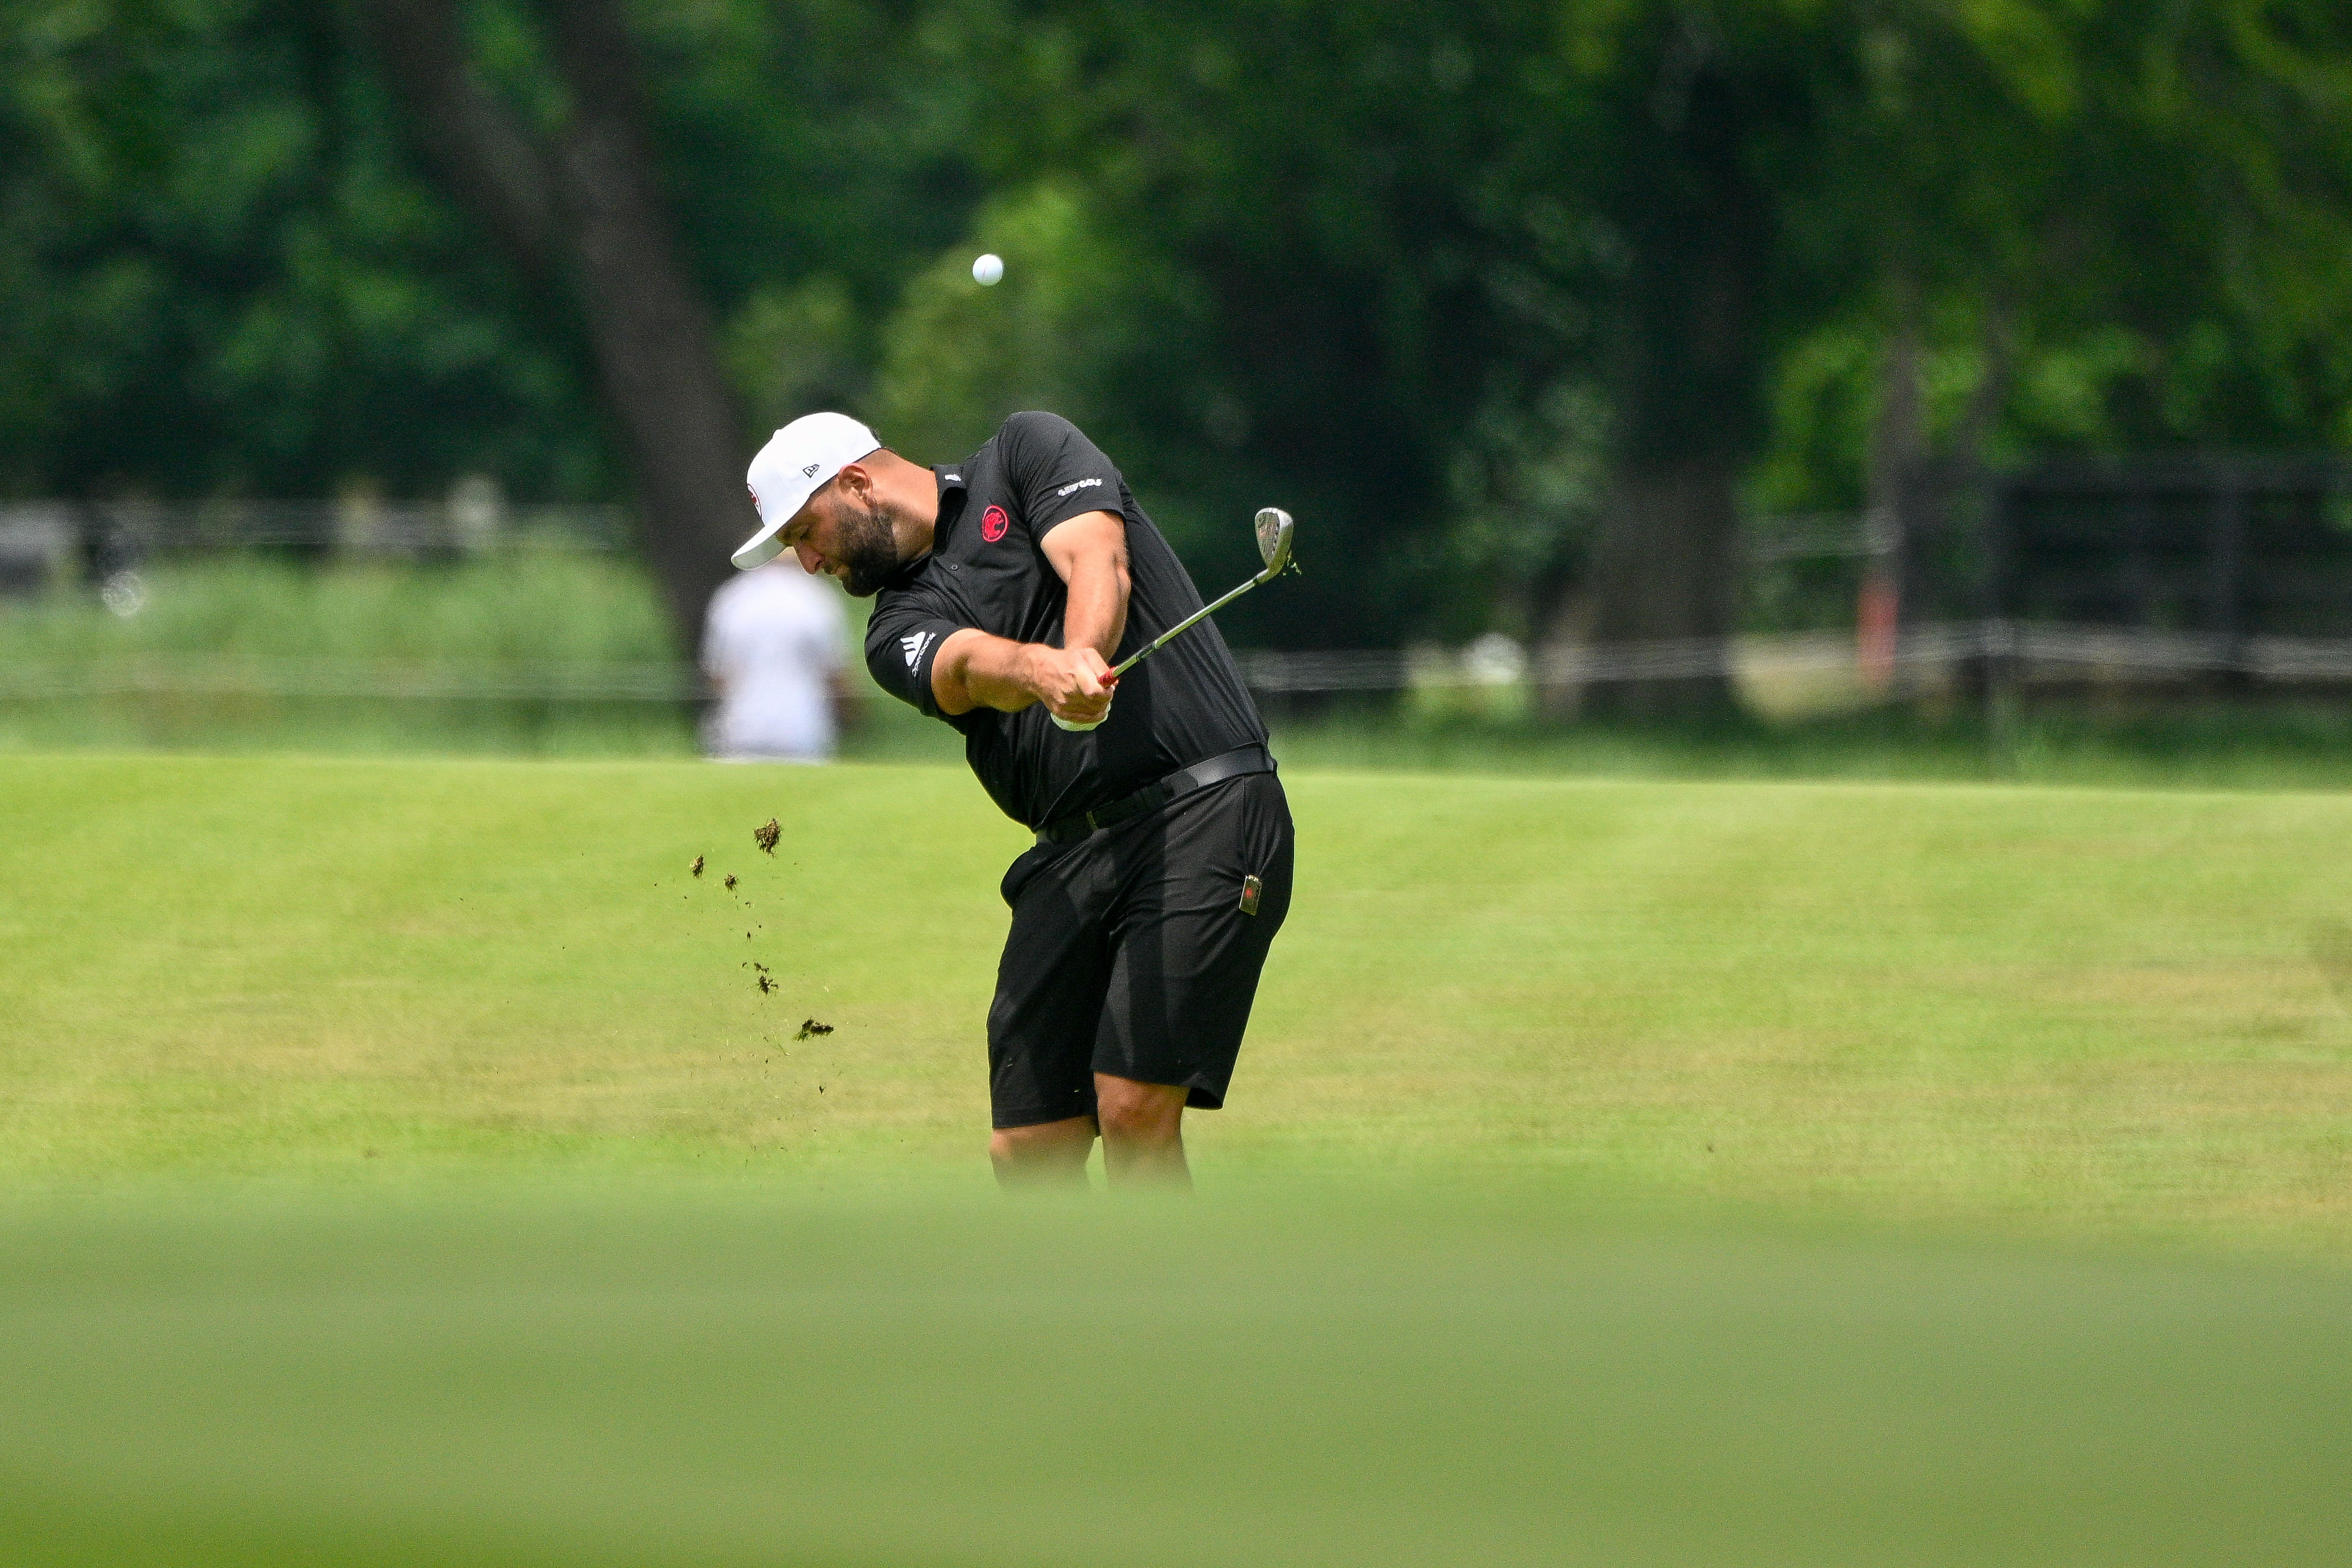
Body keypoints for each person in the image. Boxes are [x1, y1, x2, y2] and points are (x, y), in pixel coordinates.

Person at [733, 410, 1294, 1189]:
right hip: (1067, 856)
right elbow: (963, 667)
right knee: (1028, 1149)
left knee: (1132, 1106)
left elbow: (1098, 560)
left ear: (856, 482)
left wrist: (1082, 658)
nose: (806, 561)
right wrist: (1040, 673)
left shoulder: (1027, 452)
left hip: (1201, 811)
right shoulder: (891, 624)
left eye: (804, 531)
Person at [699, 556, 855, 762]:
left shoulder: (732, 596)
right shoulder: (817, 598)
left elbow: (717, 675)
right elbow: (837, 675)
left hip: (742, 727)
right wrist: (854, 717)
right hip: (802, 727)